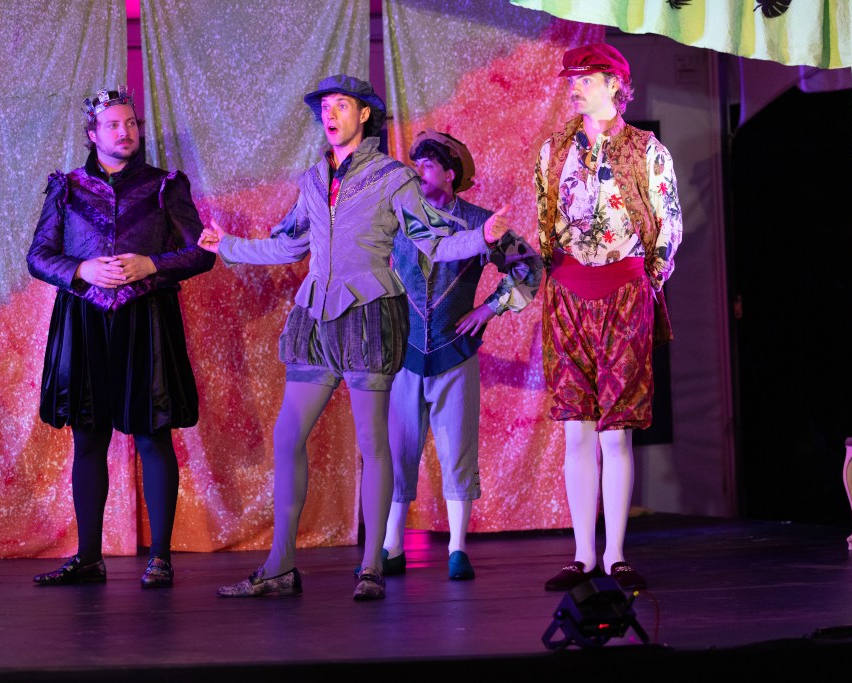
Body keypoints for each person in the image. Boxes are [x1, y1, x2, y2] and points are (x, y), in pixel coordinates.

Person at [198, 75, 509, 601]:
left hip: (368, 317)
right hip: (316, 319)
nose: (330, 114)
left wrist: (480, 236)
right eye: (325, 106)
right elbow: (290, 246)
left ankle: (372, 566)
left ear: (364, 114)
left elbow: (433, 242)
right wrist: (228, 246)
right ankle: (279, 566)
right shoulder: (313, 178)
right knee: (287, 436)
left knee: (373, 443)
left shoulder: (393, 177)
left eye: (341, 105)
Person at [27, 86, 215, 588]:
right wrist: (81, 269)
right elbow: (38, 256)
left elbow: (201, 252)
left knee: (153, 435)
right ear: (93, 134)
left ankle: (161, 559)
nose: (125, 131)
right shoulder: (67, 187)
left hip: (146, 319)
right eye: (113, 125)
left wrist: (152, 264)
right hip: (85, 319)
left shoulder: (165, 185)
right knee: (88, 437)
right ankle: (89, 558)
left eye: (131, 123)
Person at [534, 44, 683, 592]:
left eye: (586, 78)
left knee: (616, 433)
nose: (575, 87)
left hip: (624, 291)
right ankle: (582, 554)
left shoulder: (646, 149)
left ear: (615, 83)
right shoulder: (553, 149)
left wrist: (645, 284)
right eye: (571, 78)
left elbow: (668, 225)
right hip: (568, 293)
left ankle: (615, 552)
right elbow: (545, 223)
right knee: (576, 431)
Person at [379, 130, 542, 581]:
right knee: (398, 449)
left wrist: (489, 308)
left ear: (450, 174)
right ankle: (391, 546)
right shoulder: (398, 216)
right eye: (416, 164)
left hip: (454, 352)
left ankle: (456, 549)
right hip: (404, 352)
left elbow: (529, 266)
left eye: (428, 165)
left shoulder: (480, 222)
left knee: (457, 450)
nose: (418, 172)